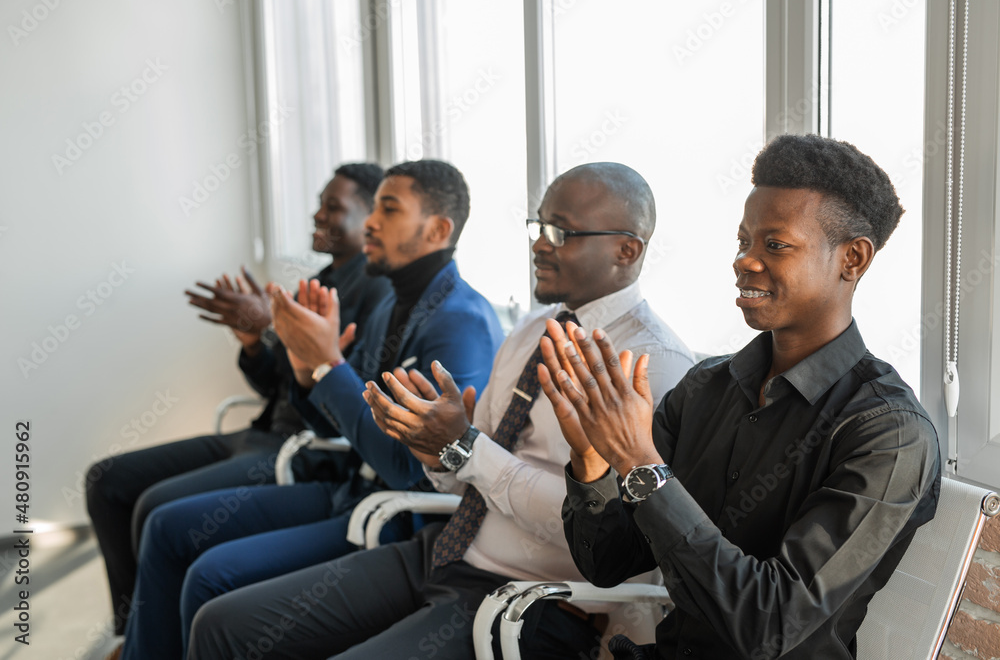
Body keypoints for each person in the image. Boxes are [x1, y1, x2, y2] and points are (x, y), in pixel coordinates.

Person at [186, 162, 696, 660]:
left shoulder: (655, 366)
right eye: (538, 226)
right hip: (449, 548)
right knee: (223, 625)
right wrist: (435, 448)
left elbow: (611, 537)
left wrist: (466, 448)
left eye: (562, 232)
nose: (540, 243)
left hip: (531, 599)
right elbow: (467, 480)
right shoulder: (528, 332)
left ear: (627, 249)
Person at [546, 135, 941, 659]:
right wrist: (592, 462)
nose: (744, 261)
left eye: (775, 245)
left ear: (853, 258)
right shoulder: (705, 390)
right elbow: (607, 562)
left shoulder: (888, 433)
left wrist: (639, 461)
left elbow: (768, 626)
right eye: (743, 241)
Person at [118, 159, 504, 660]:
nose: (371, 222)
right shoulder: (391, 303)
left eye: (388, 209)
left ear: (437, 229)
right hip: (351, 490)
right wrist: (308, 371)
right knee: (171, 529)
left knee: (211, 578)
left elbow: (410, 468)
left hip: (396, 516)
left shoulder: (462, 322)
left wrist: (328, 364)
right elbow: (339, 428)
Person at [85, 163, 390, 641]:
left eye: (333, 207)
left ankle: (152, 644)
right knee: (108, 481)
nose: (317, 214)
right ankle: (133, 634)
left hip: (304, 449)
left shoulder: (380, 291)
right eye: (320, 202)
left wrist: (279, 329)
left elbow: (348, 393)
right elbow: (275, 384)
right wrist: (254, 339)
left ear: (371, 217)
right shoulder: (321, 279)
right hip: (262, 431)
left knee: (156, 509)